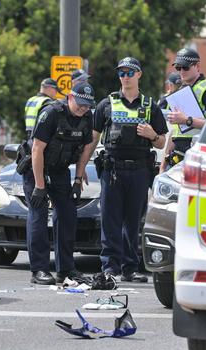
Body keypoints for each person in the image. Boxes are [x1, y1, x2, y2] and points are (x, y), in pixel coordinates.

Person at [81, 57, 168, 284]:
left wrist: (153, 135)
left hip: (139, 171)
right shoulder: (106, 104)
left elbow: (162, 143)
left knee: (133, 222)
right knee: (110, 221)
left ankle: (131, 268)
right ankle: (110, 267)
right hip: (112, 170)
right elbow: (92, 139)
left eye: (130, 72)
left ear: (139, 74)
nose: (125, 77)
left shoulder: (150, 106)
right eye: (122, 73)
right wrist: (80, 170)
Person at [23, 82, 96, 285]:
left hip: (60, 170)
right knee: (38, 215)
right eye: (80, 104)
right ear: (70, 97)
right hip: (35, 169)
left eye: (87, 105)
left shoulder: (87, 117)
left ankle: (66, 269)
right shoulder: (52, 113)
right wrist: (39, 185)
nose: (83, 109)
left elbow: (85, 149)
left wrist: (78, 179)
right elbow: (37, 149)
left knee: (67, 215)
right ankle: (39, 270)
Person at [165, 48, 206, 154]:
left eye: (185, 67)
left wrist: (187, 120)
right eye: (178, 68)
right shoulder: (180, 91)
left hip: (197, 151)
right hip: (176, 154)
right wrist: (163, 164)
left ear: (197, 66)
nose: (181, 71)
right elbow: (175, 132)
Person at [157, 72, 183, 171]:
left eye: (178, 85)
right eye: (175, 85)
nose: (177, 87)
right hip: (168, 136)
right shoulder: (165, 99)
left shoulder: (182, 97)